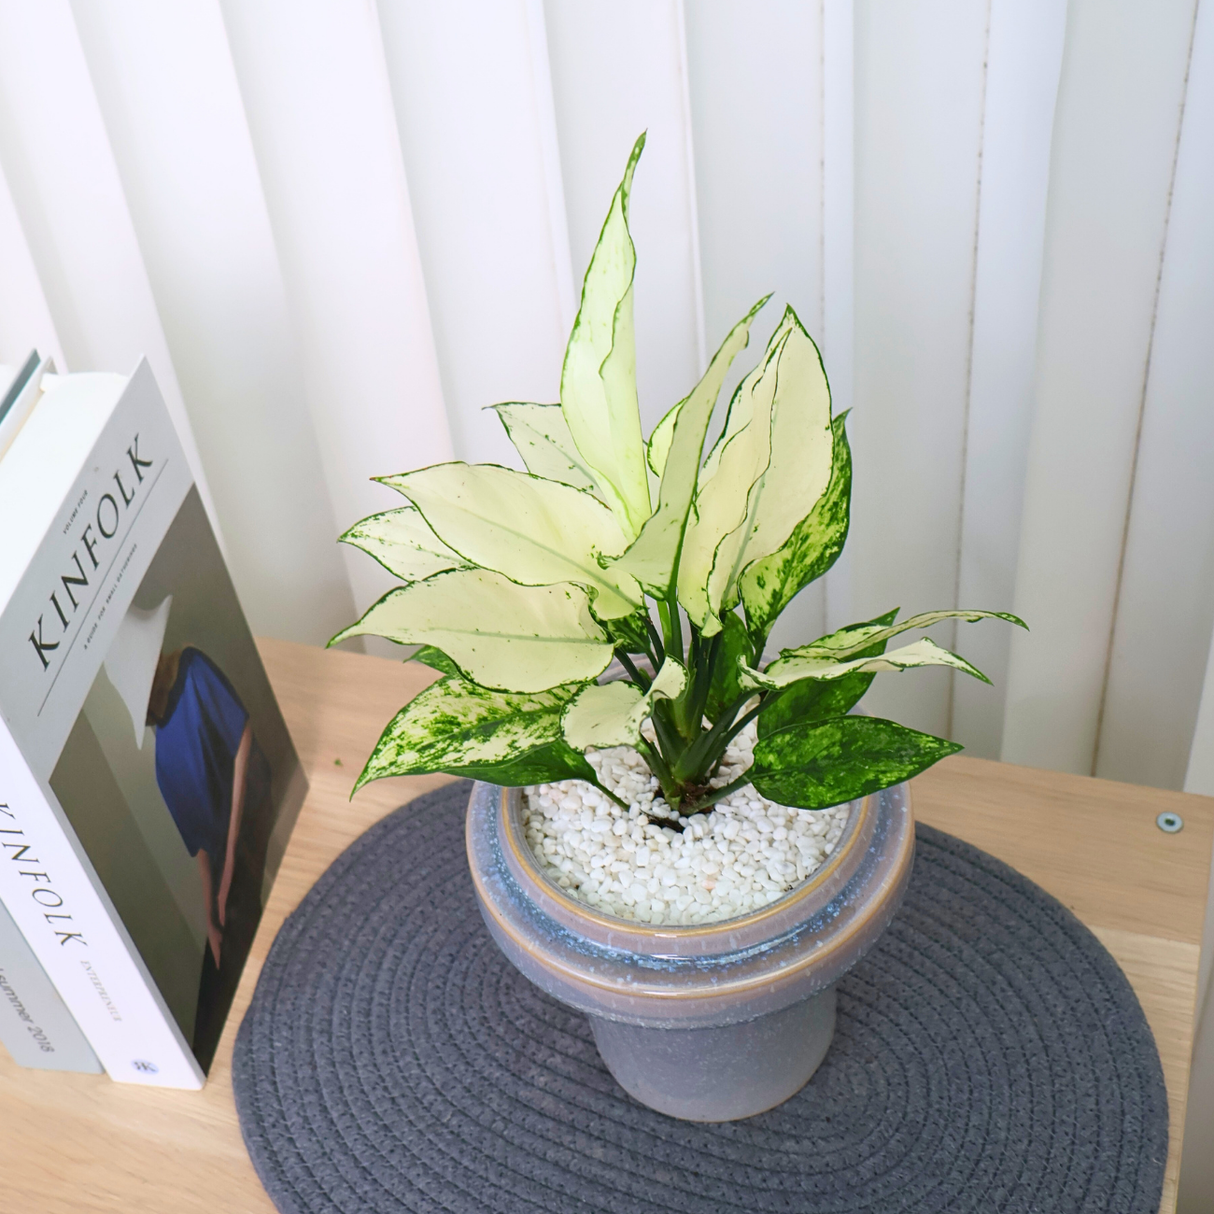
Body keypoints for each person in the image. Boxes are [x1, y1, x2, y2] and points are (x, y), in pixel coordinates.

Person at [145, 645, 274, 1070]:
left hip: (248, 803)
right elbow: (199, 844)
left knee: (238, 912)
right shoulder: (162, 759)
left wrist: (231, 863)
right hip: (222, 844)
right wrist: (208, 912)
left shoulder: (193, 668)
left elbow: (242, 740)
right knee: (218, 942)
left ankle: (251, 1027)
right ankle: (212, 1051)